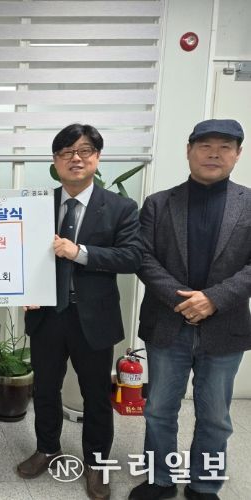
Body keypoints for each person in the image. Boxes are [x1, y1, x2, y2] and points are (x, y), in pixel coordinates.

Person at [17, 123, 143, 500]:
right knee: (45, 389)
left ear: (97, 157)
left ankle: (96, 464)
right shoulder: (35, 205)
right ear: (55, 161)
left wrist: (80, 252)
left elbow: (131, 256)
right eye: (66, 152)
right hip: (47, 315)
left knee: (96, 395)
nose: (76, 158)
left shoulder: (120, 207)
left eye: (85, 150)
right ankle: (47, 449)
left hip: (94, 318)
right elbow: (17, 252)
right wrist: (22, 288)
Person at [129, 119, 249, 500]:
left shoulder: (249, 204)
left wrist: (213, 299)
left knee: (215, 416)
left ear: (238, 154)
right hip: (168, 324)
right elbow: (143, 258)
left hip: (225, 327)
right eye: (205, 146)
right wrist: (185, 300)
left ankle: (204, 485)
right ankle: (159, 480)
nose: (214, 154)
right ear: (189, 150)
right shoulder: (159, 203)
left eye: (225, 147)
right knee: (159, 409)